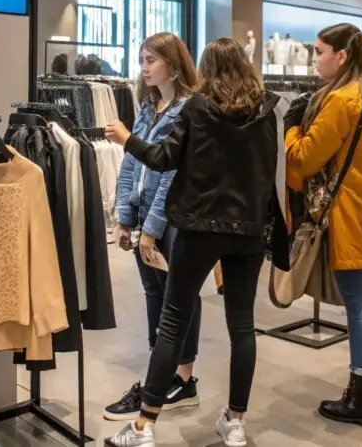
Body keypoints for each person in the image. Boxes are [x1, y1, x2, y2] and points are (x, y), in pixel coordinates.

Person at [105, 37, 280, 447]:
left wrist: (127, 140)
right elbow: (270, 172)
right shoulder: (267, 111)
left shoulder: (198, 108)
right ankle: (235, 421)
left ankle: (143, 428)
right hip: (248, 231)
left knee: (172, 322)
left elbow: (163, 159)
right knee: (242, 327)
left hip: (199, 228)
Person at [284, 23, 362, 429]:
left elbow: (304, 160)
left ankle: (361, 395)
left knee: (359, 302)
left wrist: (290, 129)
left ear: (341, 56)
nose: (314, 58)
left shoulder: (342, 100)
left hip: (350, 213)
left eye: (319, 51)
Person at [103, 32, 201, 423]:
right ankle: (159, 376)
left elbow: (173, 175)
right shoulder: (148, 107)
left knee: (178, 297)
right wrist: (126, 217)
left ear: (173, 64)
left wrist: (152, 228)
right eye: (142, 59)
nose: (143, 67)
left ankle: (179, 378)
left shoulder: (189, 110)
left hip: (172, 220)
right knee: (153, 295)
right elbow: (131, 163)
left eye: (151, 60)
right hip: (144, 214)